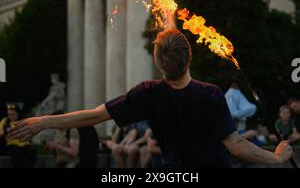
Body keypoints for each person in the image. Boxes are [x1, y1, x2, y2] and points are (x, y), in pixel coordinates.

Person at [8, 29, 293, 167]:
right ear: (190, 56)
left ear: (158, 62)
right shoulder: (211, 94)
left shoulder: (148, 93)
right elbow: (236, 145)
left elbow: (95, 116)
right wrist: (276, 158)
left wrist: (43, 121)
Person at [0, 103, 37, 168]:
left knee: (32, 151)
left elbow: (29, 133)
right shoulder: (5, 121)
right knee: (17, 152)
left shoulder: (23, 121)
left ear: (18, 113)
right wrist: (6, 130)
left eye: (13, 114)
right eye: (9, 114)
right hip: (11, 144)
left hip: (24, 143)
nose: (11, 117)